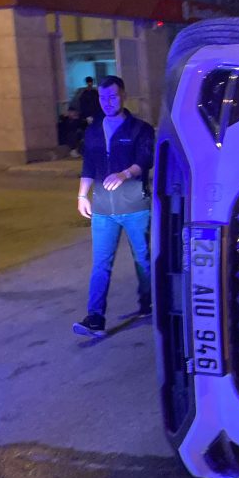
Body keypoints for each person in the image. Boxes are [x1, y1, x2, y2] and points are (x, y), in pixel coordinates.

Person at [73, 76, 155, 337]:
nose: (107, 102)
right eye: (103, 98)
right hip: (103, 210)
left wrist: (124, 174)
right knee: (100, 264)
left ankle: (149, 304)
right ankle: (95, 318)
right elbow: (89, 166)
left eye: (112, 97)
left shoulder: (139, 128)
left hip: (135, 207)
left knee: (142, 260)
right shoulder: (94, 130)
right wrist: (82, 196)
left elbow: (146, 158)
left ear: (123, 96)